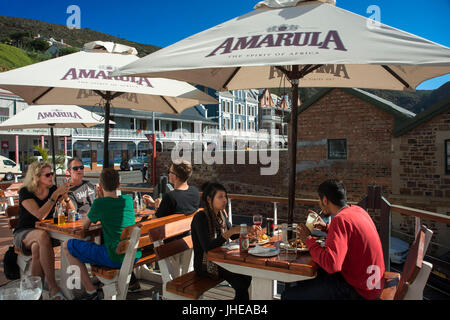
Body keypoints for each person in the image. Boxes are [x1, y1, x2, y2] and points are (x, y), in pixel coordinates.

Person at [282, 179, 385, 300]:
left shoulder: (340, 220)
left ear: (325, 200)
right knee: (308, 280)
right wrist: (326, 228)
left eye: (319, 200)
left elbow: (332, 265)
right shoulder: (358, 210)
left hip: (360, 291)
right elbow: (349, 235)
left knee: (288, 296)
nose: (320, 203)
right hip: (372, 284)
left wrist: (308, 239)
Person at [62, 168, 142, 300]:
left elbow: (85, 226)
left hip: (114, 257)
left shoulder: (100, 203)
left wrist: (98, 200)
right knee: (97, 244)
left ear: (99, 186)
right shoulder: (127, 200)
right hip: (133, 255)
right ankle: (94, 282)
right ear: (118, 185)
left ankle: (90, 290)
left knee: (67, 245)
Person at [13, 161, 71, 300]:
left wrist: (66, 197)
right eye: (48, 175)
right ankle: (52, 286)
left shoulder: (53, 190)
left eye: (52, 173)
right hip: (24, 233)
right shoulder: (25, 192)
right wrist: (54, 196)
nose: (51, 177)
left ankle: (35, 292)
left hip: (45, 235)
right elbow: (39, 215)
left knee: (37, 247)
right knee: (41, 236)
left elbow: (72, 211)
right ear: (36, 177)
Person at [191, 182, 256, 300]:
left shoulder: (221, 215)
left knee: (246, 277)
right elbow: (207, 247)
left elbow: (233, 237)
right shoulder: (200, 217)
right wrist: (230, 232)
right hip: (205, 264)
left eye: (225, 196)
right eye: (220, 197)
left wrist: (248, 234)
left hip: (220, 259)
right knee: (241, 282)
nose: (225, 200)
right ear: (209, 199)